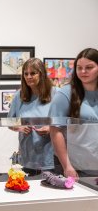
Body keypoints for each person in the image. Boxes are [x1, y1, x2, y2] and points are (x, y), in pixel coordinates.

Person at [49, 48, 98, 180]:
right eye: (79, 67)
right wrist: (67, 166)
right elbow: (55, 131)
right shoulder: (65, 94)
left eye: (89, 67)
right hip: (77, 168)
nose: (83, 71)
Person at [8, 58, 55, 176]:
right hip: (27, 156)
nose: (29, 77)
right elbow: (10, 122)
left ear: (41, 74)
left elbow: (67, 123)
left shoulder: (55, 94)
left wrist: (50, 128)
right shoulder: (19, 96)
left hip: (51, 156)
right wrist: (19, 127)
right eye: (26, 74)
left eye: (33, 73)